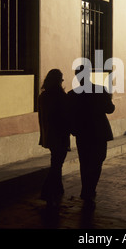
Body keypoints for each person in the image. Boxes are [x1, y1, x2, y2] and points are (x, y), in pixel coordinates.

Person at [68, 65, 115, 208]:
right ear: (89, 75)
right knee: (97, 161)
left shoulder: (72, 94)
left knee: (85, 162)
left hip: (82, 133)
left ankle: (86, 189)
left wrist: (74, 130)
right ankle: (90, 189)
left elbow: (68, 116)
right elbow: (110, 109)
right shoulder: (100, 89)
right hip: (99, 132)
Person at [38, 69, 71, 208]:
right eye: (61, 79)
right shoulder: (60, 96)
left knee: (56, 160)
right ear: (58, 80)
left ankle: (57, 188)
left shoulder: (43, 96)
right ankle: (47, 191)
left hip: (49, 134)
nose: (62, 82)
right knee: (57, 163)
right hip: (60, 134)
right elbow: (65, 116)